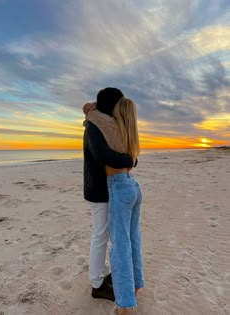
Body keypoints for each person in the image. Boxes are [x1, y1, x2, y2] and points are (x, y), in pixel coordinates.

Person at [84, 96, 144, 315]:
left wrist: (90, 110)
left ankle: (124, 302)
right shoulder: (127, 132)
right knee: (132, 239)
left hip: (118, 189)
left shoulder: (108, 128)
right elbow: (131, 161)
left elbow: (104, 154)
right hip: (133, 186)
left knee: (119, 247)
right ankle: (136, 285)